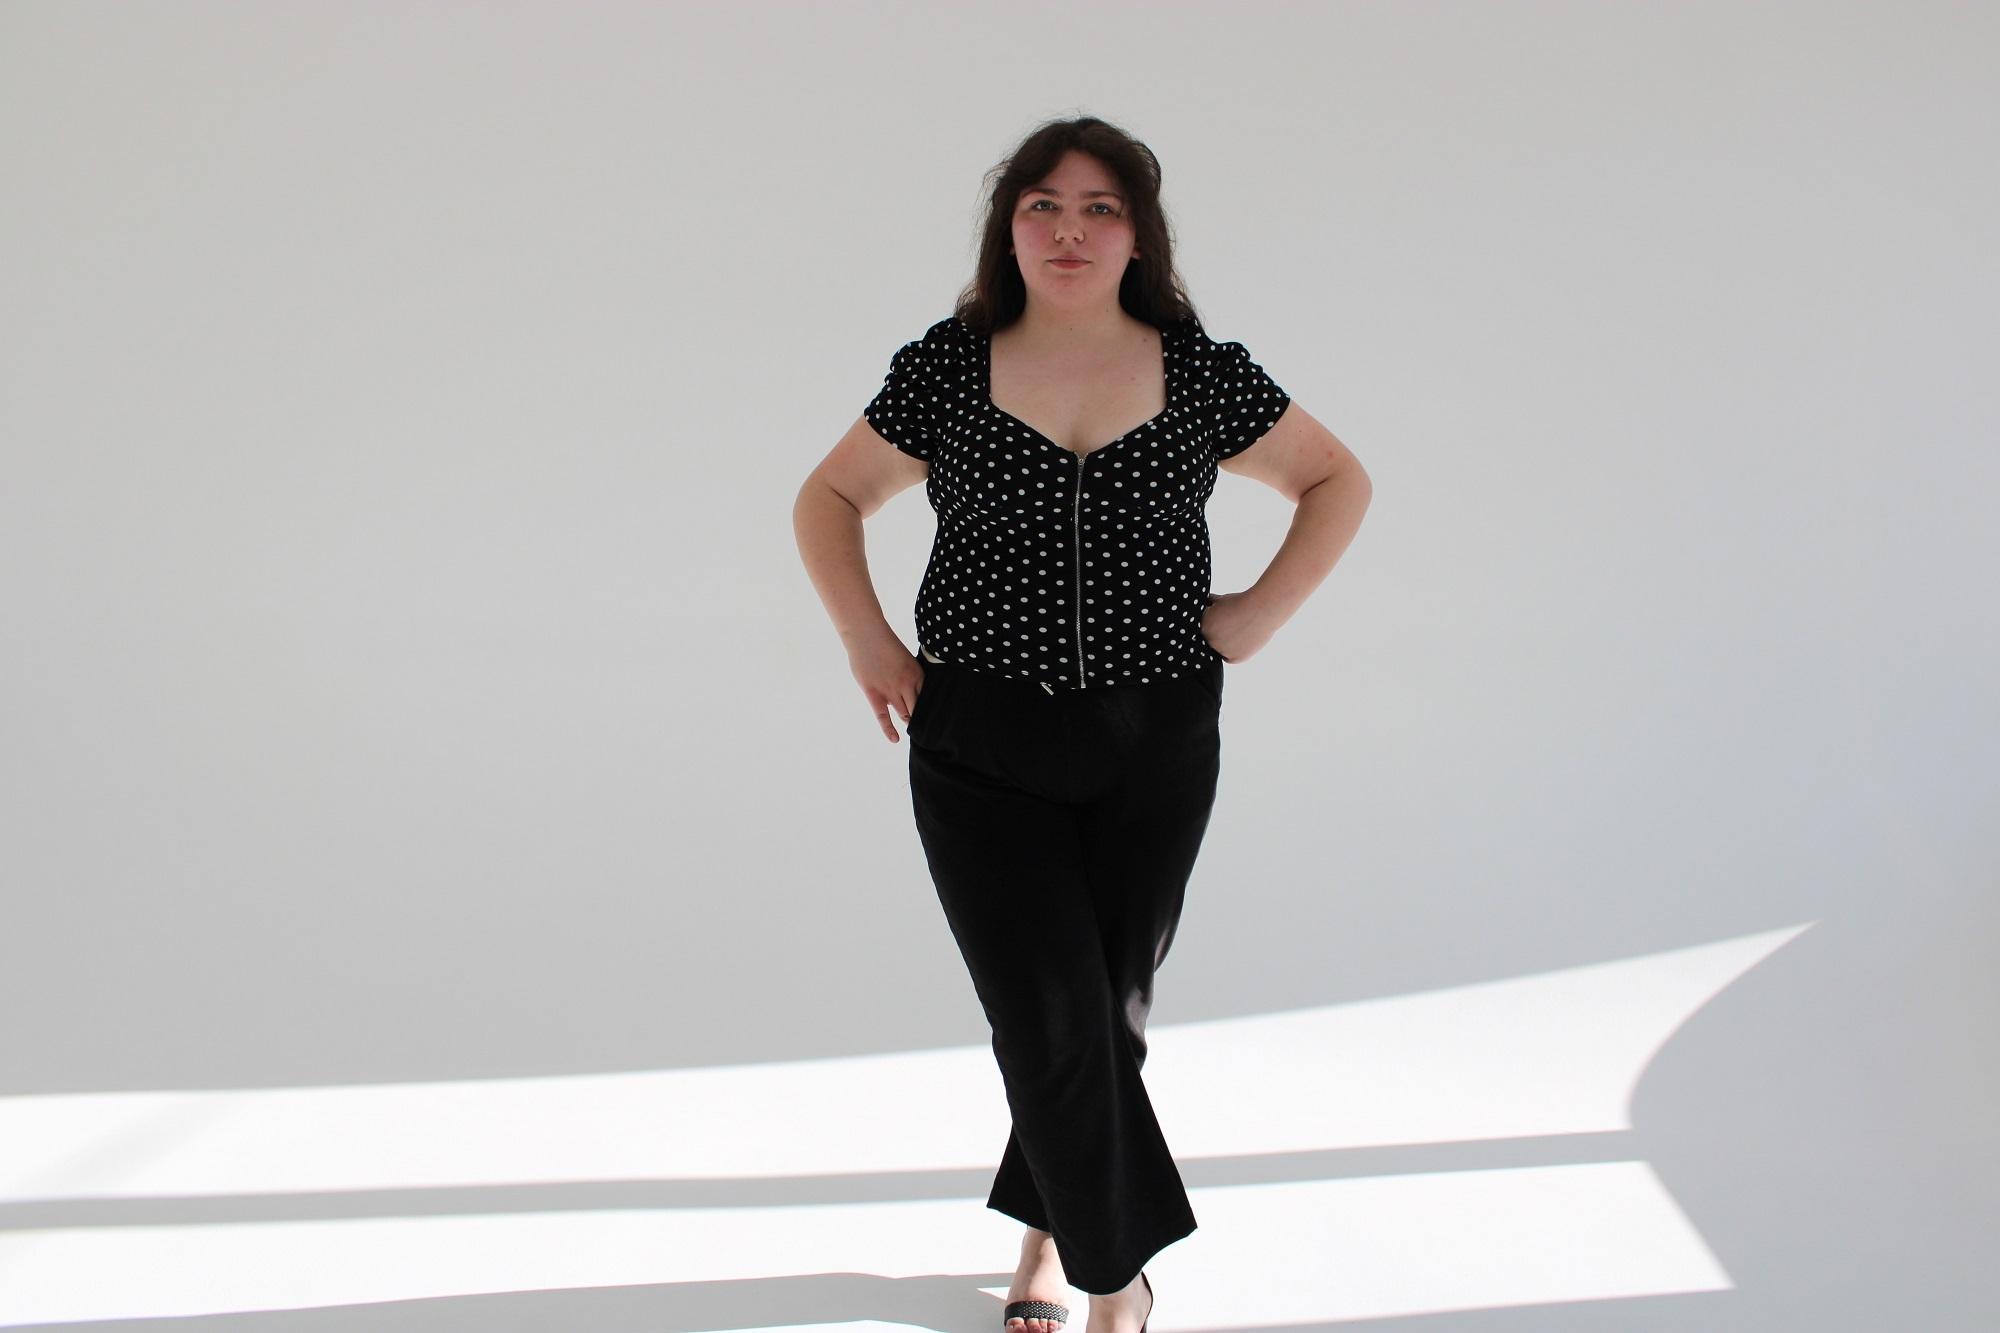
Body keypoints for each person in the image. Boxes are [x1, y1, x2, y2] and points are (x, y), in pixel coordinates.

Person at [792, 116, 1371, 1333]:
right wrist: (865, 637)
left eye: (1099, 207)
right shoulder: (950, 368)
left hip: (1153, 738)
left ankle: (1046, 1243)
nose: (1068, 229)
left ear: (1137, 236)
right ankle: (1119, 1282)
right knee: (1046, 1016)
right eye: (1041, 206)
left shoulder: (1197, 370)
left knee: (1103, 1015)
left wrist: (1254, 616)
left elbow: (1335, 478)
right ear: (1008, 230)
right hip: (977, 737)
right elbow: (831, 493)